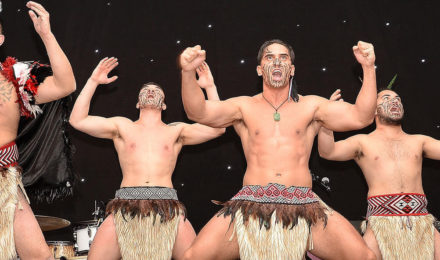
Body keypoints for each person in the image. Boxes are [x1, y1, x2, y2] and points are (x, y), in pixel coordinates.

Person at [180, 39, 377, 260]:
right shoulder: (243, 106)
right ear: (259, 69)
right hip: (251, 204)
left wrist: (368, 67)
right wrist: (188, 72)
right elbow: (198, 112)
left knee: (365, 257)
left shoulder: (312, 106)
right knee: (193, 257)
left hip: (304, 205)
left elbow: (363, 116)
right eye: (269, 57)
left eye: (283, 58)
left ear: (291, 69)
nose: (276, 62)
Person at [69, 58, 224, 260]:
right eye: (146, 89)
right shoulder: (122, 126)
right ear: (137, 102)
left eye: (156, 90)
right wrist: (93, 81)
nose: (151, 91)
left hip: (168, 207)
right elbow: (77, 120)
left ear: (165, 104)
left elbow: (219, 127)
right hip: (125, 205)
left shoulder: (176, 131)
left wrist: (209, 87)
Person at [318, 88, 440, 259]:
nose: (394, 101)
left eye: (398, 98)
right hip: (381, 221)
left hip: (421, 221)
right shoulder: (362, 142)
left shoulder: (419, 141)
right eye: (386, 98)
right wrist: (327, 118)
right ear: (373, 110)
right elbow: (327, 152)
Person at [0, 2, 76, 259]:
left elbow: (65, 85)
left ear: (0, 39)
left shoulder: (14, 78)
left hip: (5, 182)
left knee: (39, 255)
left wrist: (47, 35)